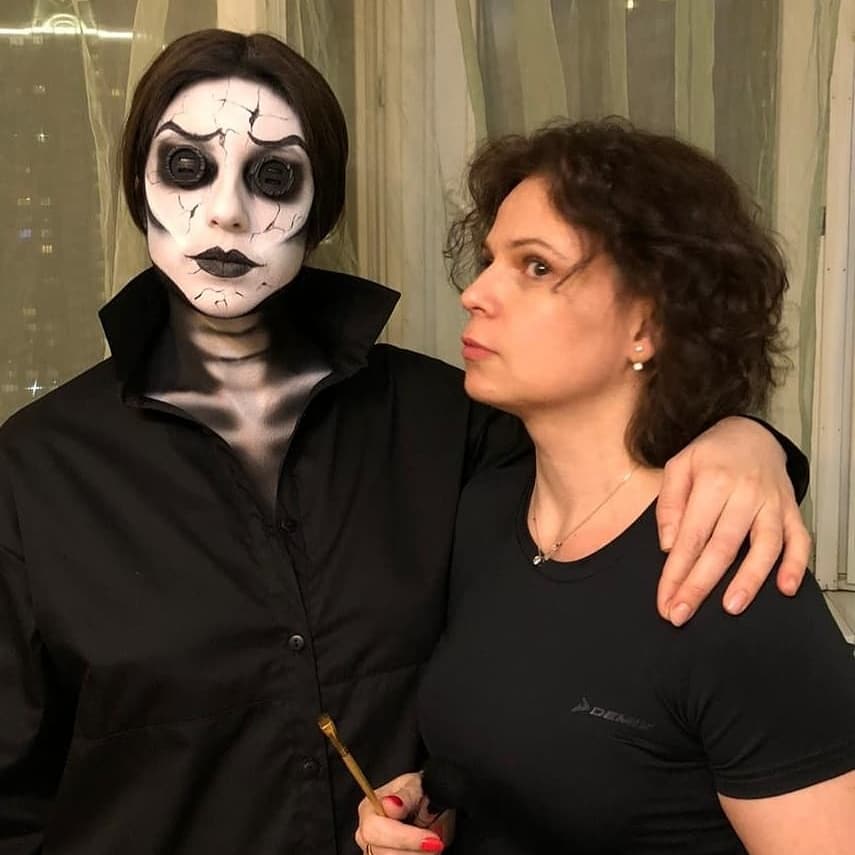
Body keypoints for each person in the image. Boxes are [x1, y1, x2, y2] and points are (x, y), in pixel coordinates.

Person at [0, 30, 809, 855]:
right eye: (186, 166)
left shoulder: (447, 421)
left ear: (321, 205)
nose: (227, 212)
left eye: (273, 176)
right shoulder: (35, 468)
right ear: (136, 186)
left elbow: (612, 465)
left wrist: (745, 438)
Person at [355, 120, 855, 855]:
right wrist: (431, 808)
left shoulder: (727, 578)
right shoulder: (487, 511)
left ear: (646, 324)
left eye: (535, 267)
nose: (476, 293)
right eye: (489, 260)